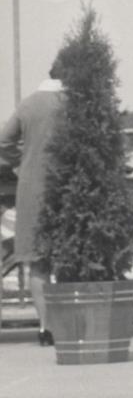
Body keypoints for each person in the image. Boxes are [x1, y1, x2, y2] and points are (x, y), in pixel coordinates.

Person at [0, 62, 66, 345]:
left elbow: (4, 140)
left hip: (31, 187)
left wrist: (19, 163)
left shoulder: (28, 104)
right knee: (66, 259)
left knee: (38, 263)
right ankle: (68, 325)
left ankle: (45, 328)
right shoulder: (71, 104)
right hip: (64, 186)